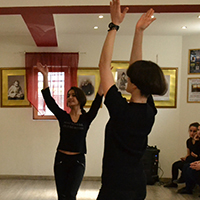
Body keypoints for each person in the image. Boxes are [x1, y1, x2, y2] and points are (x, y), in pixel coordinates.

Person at [97, 1, 167, 199]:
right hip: (137, 185)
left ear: (136, 85)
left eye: (129, 77)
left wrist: (114, 26)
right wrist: (139, 31)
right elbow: (137, 67)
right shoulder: (148, 110)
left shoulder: (122, 111)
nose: (126, 77)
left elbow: (104, 65)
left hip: (115, 188)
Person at [36, 62, 103, 200]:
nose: (70, 97)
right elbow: (49, 101)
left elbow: (98, 100)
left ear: (80, 98)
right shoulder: (63, 117)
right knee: (62, 195)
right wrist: (45, 76)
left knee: (71, 194)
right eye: (68, 95)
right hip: (61, 160)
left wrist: (104, 76)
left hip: (78, 161)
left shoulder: (86, 118)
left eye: (73, 95)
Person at [164, 122, 200, 188]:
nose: (192, 133)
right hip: (190, 159)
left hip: (196, 160)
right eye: (190, 131)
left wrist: (196, 142)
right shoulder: (188, 141)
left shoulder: (199, 141)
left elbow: (195, 153)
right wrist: (185, 157)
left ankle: (184, 178)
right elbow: (189, 154)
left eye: (194, 131)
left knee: (188, 161)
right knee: (175, 164)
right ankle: (173, 182)